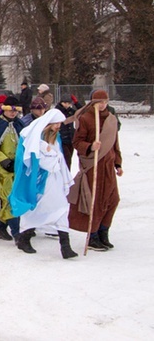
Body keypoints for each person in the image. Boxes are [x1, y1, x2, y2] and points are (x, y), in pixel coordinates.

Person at [8, 109, 78, 259]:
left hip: (55, 180)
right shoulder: (36, 138)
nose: (59, 126)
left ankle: (65, 247)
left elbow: (58, 158)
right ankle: (24, 238)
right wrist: (53, 158)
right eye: (56, 123)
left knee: (61, 209)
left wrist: (56, 160)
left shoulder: (55, 137)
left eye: (60, 123)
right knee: (37, 208)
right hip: (42, 181)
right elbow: (41, 161)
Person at [68, 90, 123, 252]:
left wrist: (118, 164)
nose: (103, 105)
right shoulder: (86, 119)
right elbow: (77, 142)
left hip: (108, 166)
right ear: (93, 103)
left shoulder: (111, 119)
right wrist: (90, 146)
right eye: (99, 102)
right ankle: (92, 236)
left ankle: (103, 231)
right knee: (97, 201)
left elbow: (115, 144)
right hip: (93, 166)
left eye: (105, 102)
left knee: (113, 199)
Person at [0, 96, 24, 241]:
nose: (13, 114)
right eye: (10, 110)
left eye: (15, 111)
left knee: (13, 198)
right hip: (2, 170)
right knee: (9, 197)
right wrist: (4, 160)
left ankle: (1, 227)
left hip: (17, 168)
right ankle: (16, 231)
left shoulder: (19, 124)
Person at [55, 95, 78, 169]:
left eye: (69, 103)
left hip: (70, 138)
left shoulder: (71, 111)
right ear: (61, 102)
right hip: (61, 138)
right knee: (65, 160)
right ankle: (65, 177)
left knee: (69, 160)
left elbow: (82, 112)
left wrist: (76, 103)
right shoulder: (57, 111)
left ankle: (67, 175)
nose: (67, 105)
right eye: (65, 103)